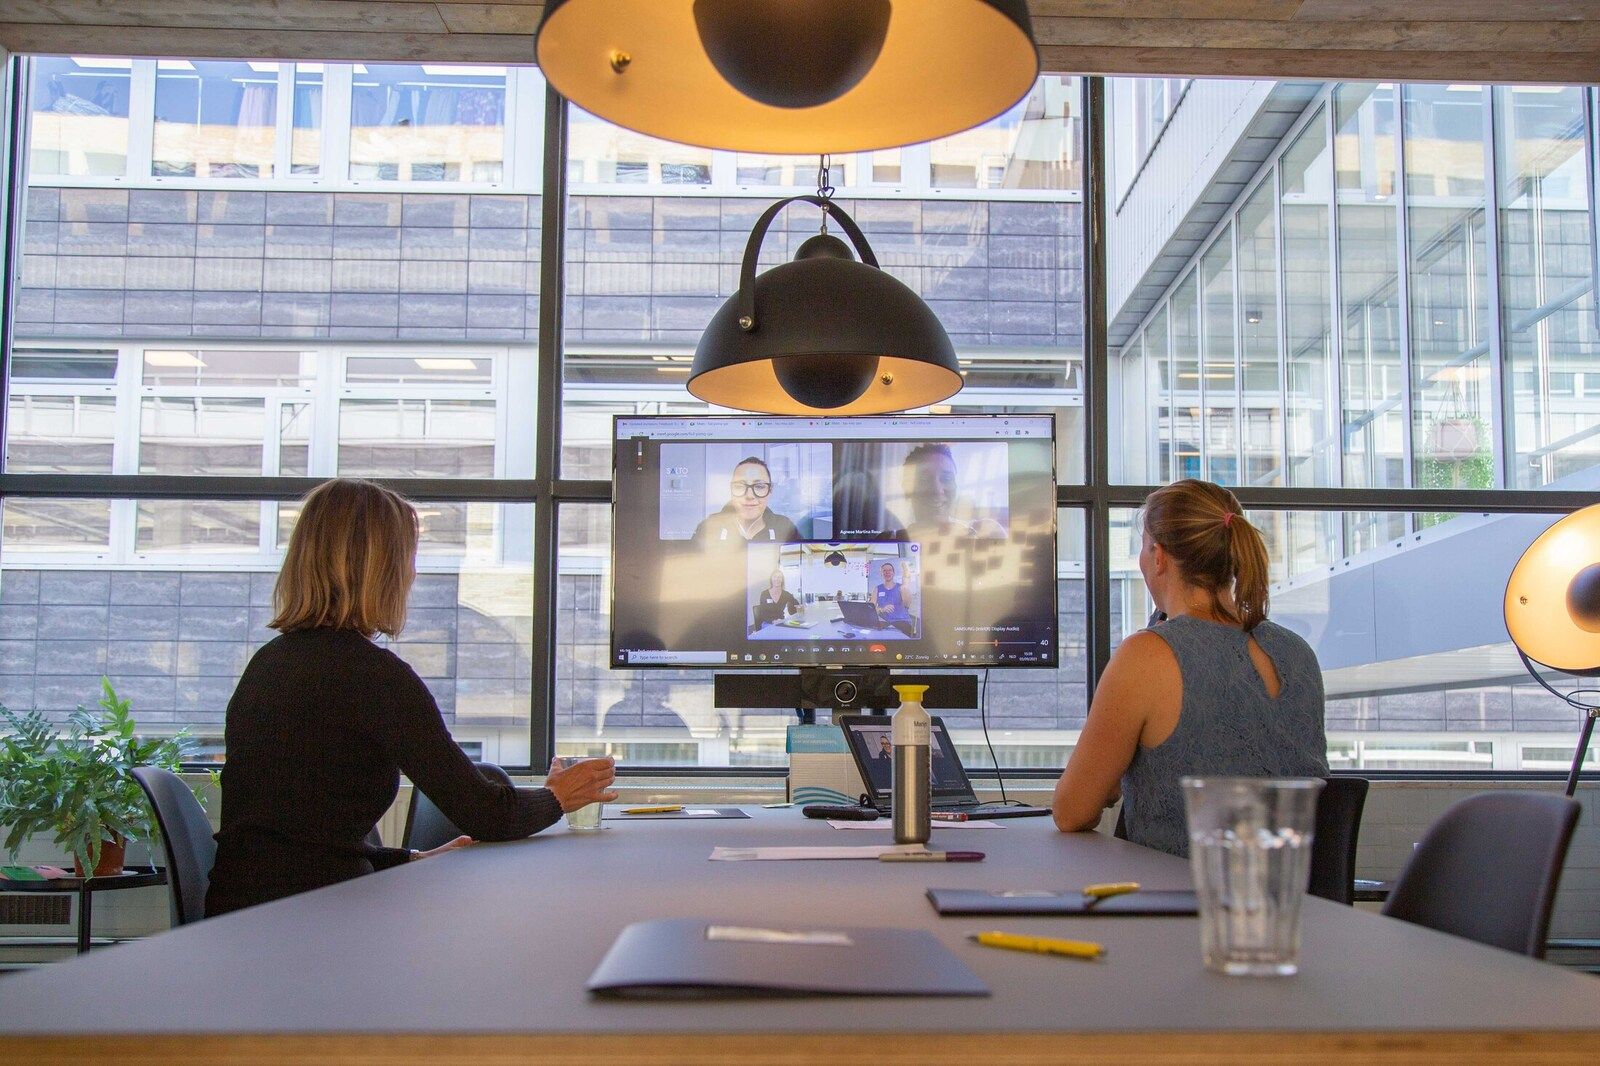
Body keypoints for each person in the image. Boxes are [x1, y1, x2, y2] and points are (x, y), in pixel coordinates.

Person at [206, 479, 617, 917]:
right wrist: (557, 796)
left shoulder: (269, 664)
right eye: (408, 559)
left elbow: (291, 833)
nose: (413, 574)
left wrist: (405, 860)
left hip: (242, 912)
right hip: (309, 924)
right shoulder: (373, 676)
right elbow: (485, 814)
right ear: (383, 570)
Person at [1051, 479, 1327, 857]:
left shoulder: (1148, 655)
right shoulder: (1296, 651)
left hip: (1182, 904)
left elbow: (1071, 812)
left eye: (1143, 548)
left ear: (1159, 556)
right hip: (1289, 905)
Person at [895, 443, 1005, 543]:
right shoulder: (887, 540)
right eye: (923, 479)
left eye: (946, 478)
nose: (937, 490)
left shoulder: (986, 533)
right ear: (906, 489)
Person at [693, 456, 801, 545]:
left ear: (770, 490)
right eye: (740, 486)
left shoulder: (785, 528)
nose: (749, 495)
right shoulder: (709, 527)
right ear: (731, 490)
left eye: (759, 486)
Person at [873, 562, 916, 637]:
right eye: (884, 571)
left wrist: (904, 587)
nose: (887, 572)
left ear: (893, 573)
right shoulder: (877, 589)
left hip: (902, 623)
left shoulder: (901, 587)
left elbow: (907, 604)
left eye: (890, 570)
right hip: (885, 624)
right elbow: (871, 609)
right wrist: (882, 609)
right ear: (881, 574)